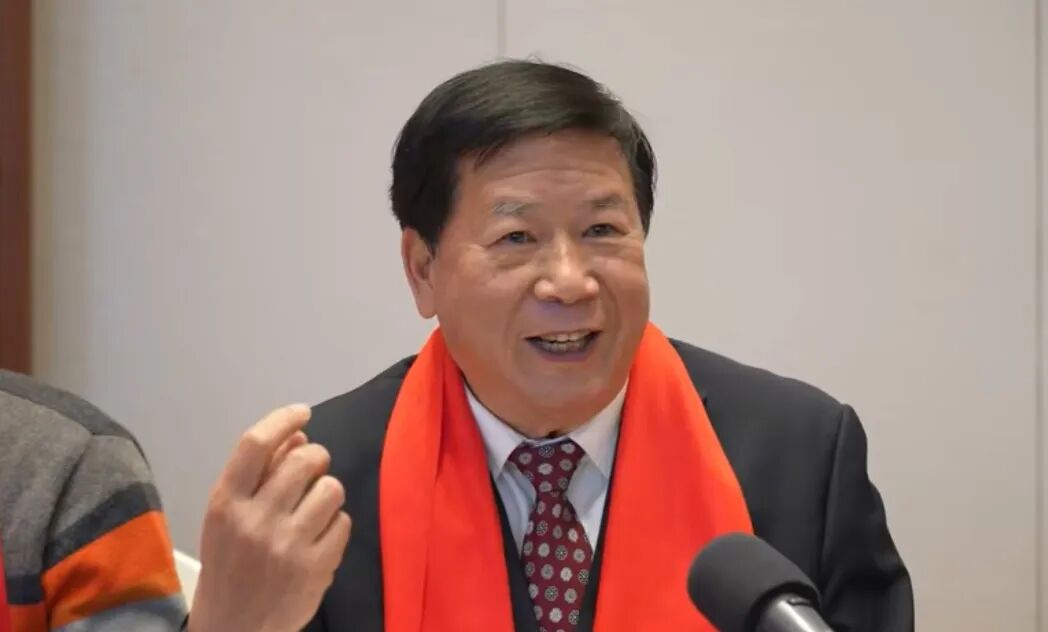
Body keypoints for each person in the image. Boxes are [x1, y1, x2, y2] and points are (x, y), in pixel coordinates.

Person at [228, 58, 910, 631]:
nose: (569, 281)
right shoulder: (318, 491)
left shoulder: (802, 456)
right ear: (423, 269)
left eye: (602, 231)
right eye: (517, 238)